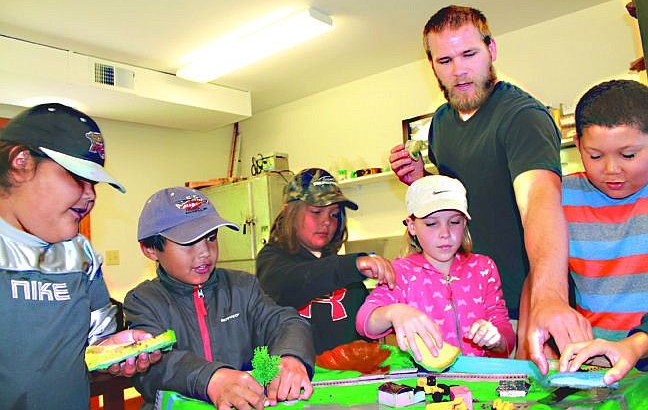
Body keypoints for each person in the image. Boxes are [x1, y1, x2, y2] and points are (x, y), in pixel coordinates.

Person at [388, 5, 591, 360]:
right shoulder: (441, 124)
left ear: (491, 50)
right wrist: (421, 180)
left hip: (522, 310)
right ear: (432, 65)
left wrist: (548, 296)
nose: (460, 70)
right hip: (467, 313)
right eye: (445, 60)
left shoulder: (522, 117)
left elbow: (539, 202)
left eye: (469, 54)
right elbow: (459, 201)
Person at [0, 103, 160, 409]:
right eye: (77, 177)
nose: (90, 195)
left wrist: (112, 352)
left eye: (94, 183)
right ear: (20, 162)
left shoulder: (81, 256)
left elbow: (96, 343)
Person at [124, 186, 315, 410]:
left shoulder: (243, 286)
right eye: (189, 242)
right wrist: (211, 379)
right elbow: (154, 366)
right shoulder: (142, 301)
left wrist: (290, 357)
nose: (205, 252)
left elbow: (285, 322)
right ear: (150, 249)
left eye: (211, 238)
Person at [545, 79, 648, 380]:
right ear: (578, 146)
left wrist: (635, 345)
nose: (612, 169)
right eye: (595, 155)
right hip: (595, 364)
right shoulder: (561, 196)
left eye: (628, 155)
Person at [356, 175, 515, 361]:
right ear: (412, 226)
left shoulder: (483, 267)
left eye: (454, 222)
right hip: (427, 384)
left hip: (479, 381)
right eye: (431, 223)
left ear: (464, 223)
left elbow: (506, 334)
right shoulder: (400, 272)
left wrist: (496, 339)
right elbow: (364, 321)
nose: (445, 233)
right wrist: (394, 311)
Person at [256, 168, 396, 354]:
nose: (327, 222)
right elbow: (295, 282)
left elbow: (363, 332)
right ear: (289, 212)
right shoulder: (272, 260)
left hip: (348, 377)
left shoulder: (345, 270)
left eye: (334, 214)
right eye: (316, 212)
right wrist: (352, 265)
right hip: (298, 378)